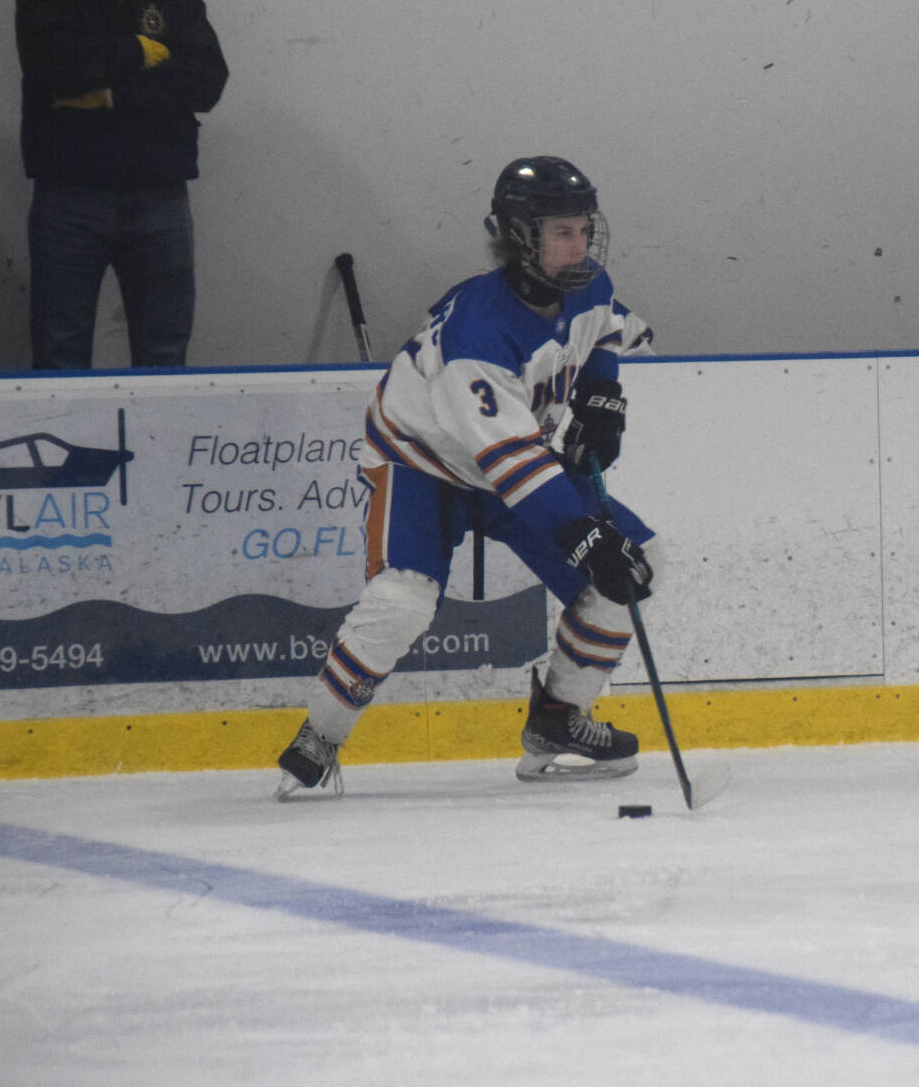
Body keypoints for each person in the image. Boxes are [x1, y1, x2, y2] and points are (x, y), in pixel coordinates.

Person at [276, 156, 660, 798]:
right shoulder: (478, 333)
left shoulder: (587, 284)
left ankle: (558, 719)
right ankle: (323, 732)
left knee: (639, 561)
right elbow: (511, 461)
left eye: (584, 229)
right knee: (402, 601)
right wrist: (585, 534)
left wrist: (601, 395)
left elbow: (608, 330)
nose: (581, 245)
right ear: (520, 238)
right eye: (562, 232)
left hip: (509, 464)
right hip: (421, 462)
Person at [15, 0, 228, 369]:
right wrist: (142, 51)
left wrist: (109, 95)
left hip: (160, 198)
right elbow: (55, 68)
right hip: (70, 197)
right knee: (60, 351)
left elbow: (207, 82)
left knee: (165, 354)